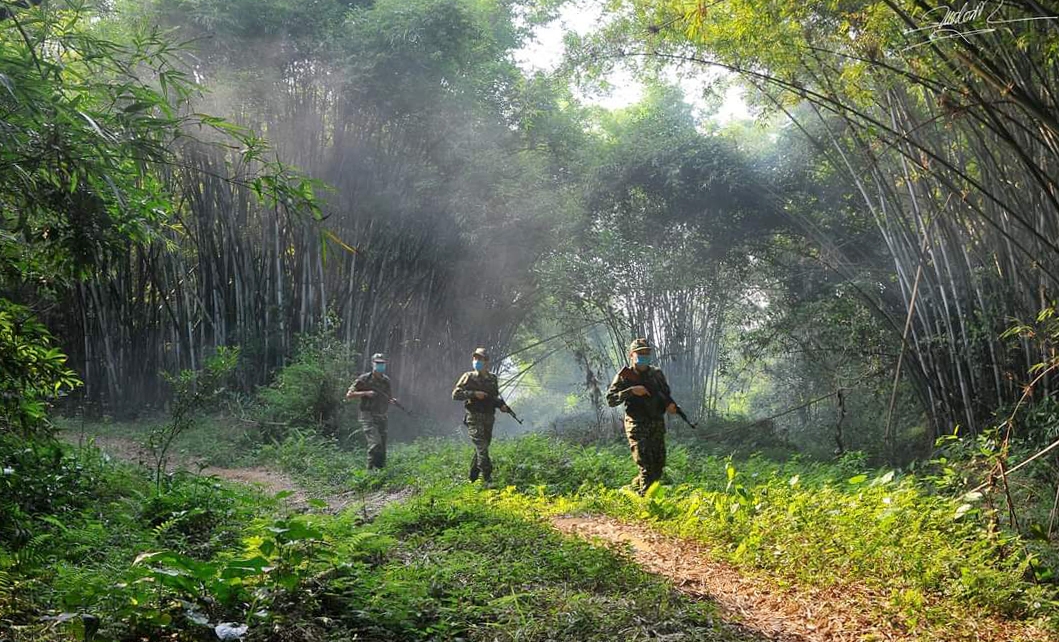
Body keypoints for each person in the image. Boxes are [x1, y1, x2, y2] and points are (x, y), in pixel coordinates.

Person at [606, 338, 677, 495]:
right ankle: (647, 501)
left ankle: (633, 489)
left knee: (658, 465)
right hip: (636, 424)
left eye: (647, 353)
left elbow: (665, 394)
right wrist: (631, 390)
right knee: (646, 464)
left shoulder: (656, 374)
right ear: (632, 355)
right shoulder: (625, 376)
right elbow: (611, 399)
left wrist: (671, 406)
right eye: (640, 353)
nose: (644, 356)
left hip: (656, 423)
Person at [451, 347, 510, 484]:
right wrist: (473, 394)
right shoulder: (468, 377)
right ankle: (488, 478)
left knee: (482, 448)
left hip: (489, 417)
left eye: (480, 358)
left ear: (486, 361)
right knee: (481, 447)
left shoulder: (492, 378)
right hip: (474, 416)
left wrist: (501, 405)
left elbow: (494, 397)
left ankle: (472, 477)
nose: (476, 361)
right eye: (475, 358)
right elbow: (455, 394)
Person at [345, 353, 395, 470]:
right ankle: (369, 472)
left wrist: (392, 401)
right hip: (367, 415)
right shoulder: (364, 379)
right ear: (372, 364)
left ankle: (381, 472)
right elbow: (349, 394)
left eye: (382, 363)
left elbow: (388, 397)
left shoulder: (386, 381)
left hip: (381, 415)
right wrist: (365, 393)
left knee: (382, 447)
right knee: (375, 443)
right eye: (377, 363)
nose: (380, 365)